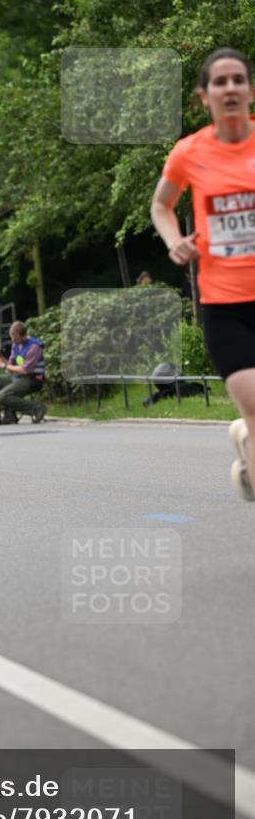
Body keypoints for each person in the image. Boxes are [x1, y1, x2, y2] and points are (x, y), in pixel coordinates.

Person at [151, 46, 255, 501]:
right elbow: (161, 205)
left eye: (238, 79)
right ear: (204, 96)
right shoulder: (189, 153)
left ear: (250, 89)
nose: (230, 88)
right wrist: (174, 240)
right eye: (220, 82)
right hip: (226, 308)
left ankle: (248, 453)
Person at [0, 321, 46, 425]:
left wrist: (4, 365)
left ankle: (36, 407)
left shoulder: (34, 347)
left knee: (1, 396)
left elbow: (24, 370)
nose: (12, 340)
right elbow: (10, 366)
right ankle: (9, 415)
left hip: (32, 379)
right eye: (11, 337)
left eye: (15, 338)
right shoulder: (16, 345)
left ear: (23, 335)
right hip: (18, 377)